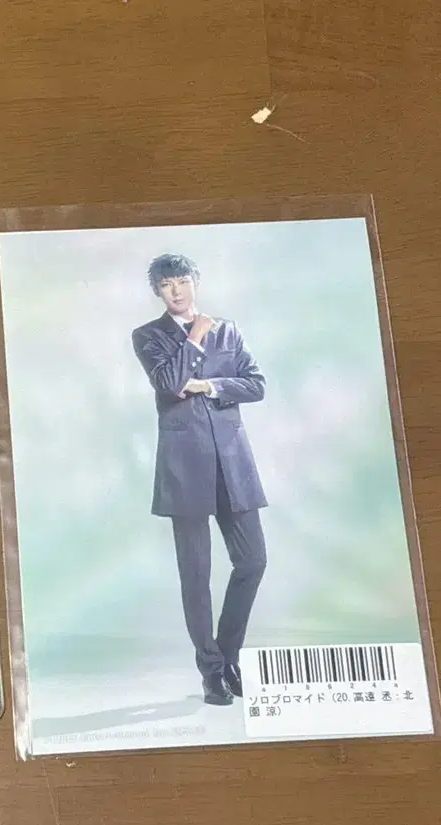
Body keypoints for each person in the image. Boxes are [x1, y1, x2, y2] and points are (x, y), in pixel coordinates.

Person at [132, 254, 267, 706]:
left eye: (182, 281)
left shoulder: (229, 330)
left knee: (253, 562)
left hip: (233, 464)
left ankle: (228, 658)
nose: (176, 290)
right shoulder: (148, 336)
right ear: (157, 291)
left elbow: (256, 384)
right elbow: (170, 382)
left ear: (195, 282)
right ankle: (211, 673)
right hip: (184, 466)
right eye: (166, 284)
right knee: (196, 574)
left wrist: (208, 385)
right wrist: (194, 337)